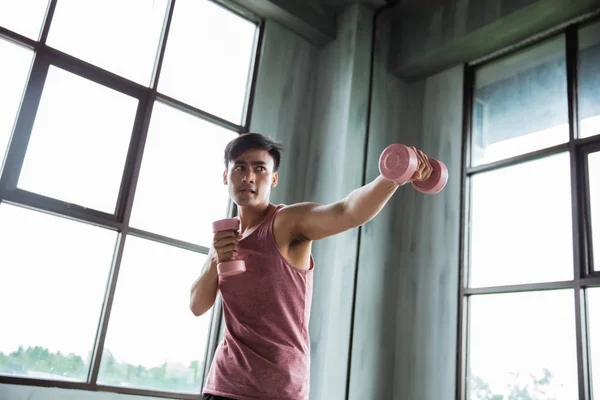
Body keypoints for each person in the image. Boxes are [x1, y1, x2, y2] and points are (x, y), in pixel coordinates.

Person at [190, 133, 432, 400]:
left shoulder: (287, 222)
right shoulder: (223, 239)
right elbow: (197, 306)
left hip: (279, 390)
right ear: (226, 176)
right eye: (240, 167)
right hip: (223, 386)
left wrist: (392, 177)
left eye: (260, 168)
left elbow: (347, 211)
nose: (248, 176)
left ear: (273, 179)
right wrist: (214, 258)